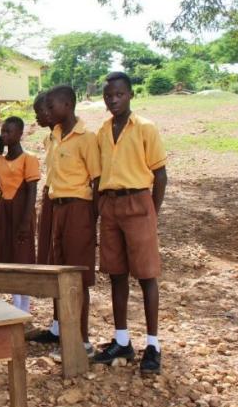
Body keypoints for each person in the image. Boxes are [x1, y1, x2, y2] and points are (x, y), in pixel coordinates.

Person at [91, 72, 168, 375]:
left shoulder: (145, 128)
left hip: (138, 203)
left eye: (119, 94)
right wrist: (100, 205)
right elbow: (98, 175)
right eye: (108, 95)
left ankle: (153, 344)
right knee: (116, 273)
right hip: (110, 204)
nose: (113, 100)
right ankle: (122, 339)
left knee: (147, 275)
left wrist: (152, 212)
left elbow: (160, 175)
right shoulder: (102, 131)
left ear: (131, 95)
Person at [45, 85, 101, 358]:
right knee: (62, 275)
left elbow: (97, 179)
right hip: (58, 209)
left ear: (67, 105)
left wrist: (92, 217)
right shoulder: (54, 137)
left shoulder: (86, 138)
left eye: (51, 106)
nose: (48, 111)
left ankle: (83, 342)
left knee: (78, 277)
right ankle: (67, 339)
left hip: (79, 208)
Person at [0, 116, 39, 313]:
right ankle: (12, 304)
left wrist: (26, 221)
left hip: (22, 210)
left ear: (19, 133)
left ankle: (23, 307)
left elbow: (32, 191)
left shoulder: (29, 158)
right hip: (4, 209)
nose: (4, 135)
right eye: (2, 131)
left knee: (22, 255)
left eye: (8, 131)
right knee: (5, 251)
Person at [28, 91, 65, 343]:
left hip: (67, 201)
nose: (39, 115)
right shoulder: (49, 139)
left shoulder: (73, 136)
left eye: (41, 110)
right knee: (52, 259)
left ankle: (69, 327)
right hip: (50, 198)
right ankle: (56, 325)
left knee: (65, 264)